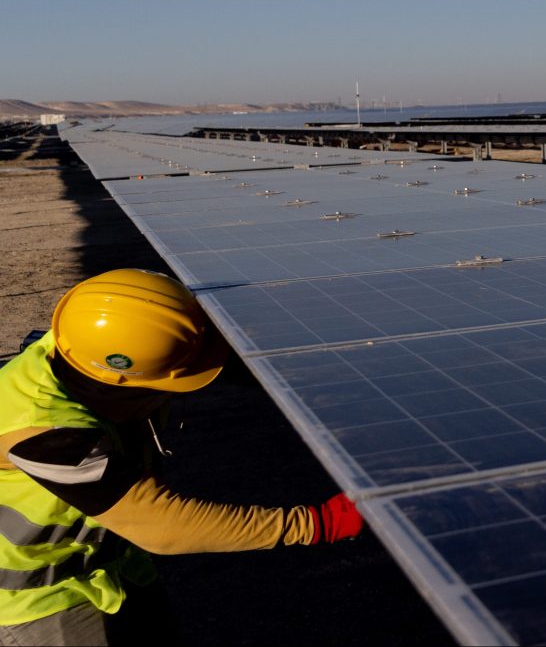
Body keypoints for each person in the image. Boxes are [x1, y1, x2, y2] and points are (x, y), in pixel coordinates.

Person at [0, 269, 363, 645]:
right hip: (41, 597)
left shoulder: (83, 345)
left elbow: (192, 357)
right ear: (124, 383)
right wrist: (318, 523)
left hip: (113, 565)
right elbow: (162, 525)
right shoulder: (45, 434)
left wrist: (319, 371)